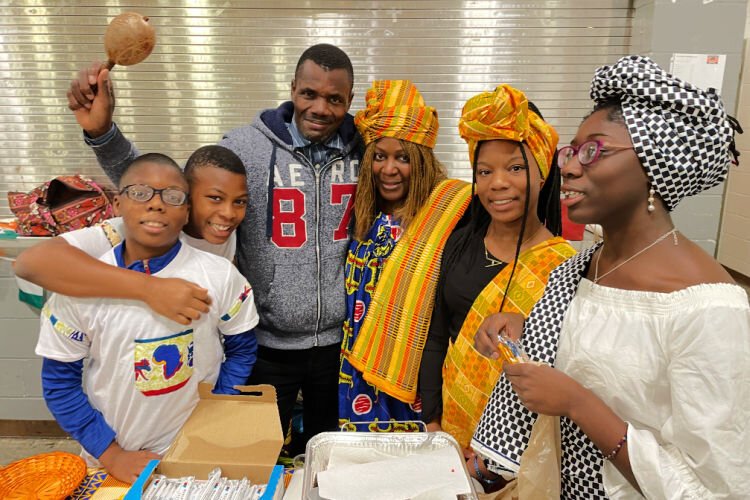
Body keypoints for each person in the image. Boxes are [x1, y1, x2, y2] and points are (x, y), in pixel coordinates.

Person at [472, 56, 750, 498]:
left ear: (654, 165)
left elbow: (715, 490)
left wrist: (578, 404)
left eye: (593, 150)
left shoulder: (708, 307)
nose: (568, 166)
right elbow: (610, 352)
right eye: (571, 150)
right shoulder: (586, 266)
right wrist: (530, 333)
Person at [65, 44, 362, 445]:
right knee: (258, 452)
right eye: (309, 93)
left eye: (335, 99)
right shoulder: (248, 147)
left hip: (340, 343)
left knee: (332, 450)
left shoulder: (365, 150)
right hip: (264, 342)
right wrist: (103, 135)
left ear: (349, 101)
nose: (320, 108)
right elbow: (166, 187)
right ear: (293, 89)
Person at [35, 154, 259, 483]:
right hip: (113, 457)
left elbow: (242, 349)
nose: (156, 205)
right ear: (116, 204)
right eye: (141, 193)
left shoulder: (220, 275)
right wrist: (112, 454)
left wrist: (216, 415)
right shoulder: (78, 287)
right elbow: (59, 383)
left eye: (172, 196)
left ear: (186, 212)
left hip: (198, 453)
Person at [418, 85, 575, 488]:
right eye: (485, 171)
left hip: (514, 454)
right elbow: (437, 332)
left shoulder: (565, 266)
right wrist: (433, 421)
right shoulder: (461, 240)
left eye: (515, 168)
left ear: (543, 170)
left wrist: (494, 456)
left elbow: (560, 370)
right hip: (448, 431)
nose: (497, 183)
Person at [338, 80, 470, 428]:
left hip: (412, 376)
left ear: (423, 160)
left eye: (403, 158)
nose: (389, 168)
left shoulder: (448, 212)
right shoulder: (363, 214)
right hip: (357, 368)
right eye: (380, 156)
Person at [14, 145, 248, 325]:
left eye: (239, 202)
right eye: (215, 199)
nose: (227, 213)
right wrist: (150, 289)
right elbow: (30, 263)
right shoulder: (132, 230)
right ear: (187, 197)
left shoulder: (226, 234)